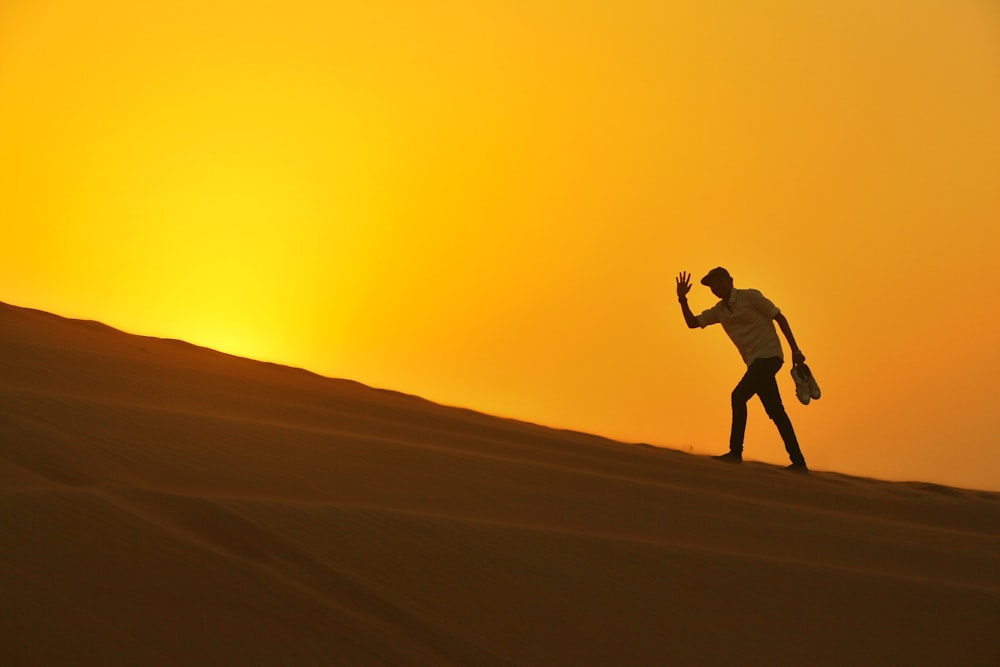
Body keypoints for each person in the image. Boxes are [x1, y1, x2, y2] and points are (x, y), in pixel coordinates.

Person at [676, 267, 808, 472]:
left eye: (719, 282)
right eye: (712, 286)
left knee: (738, 397)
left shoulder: (750, 297)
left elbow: (779, 317)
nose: (716, 288)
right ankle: (799, 462)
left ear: (730, 280)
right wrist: (682, 300)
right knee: (776, 411)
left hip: (770, 356)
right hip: (754, 362)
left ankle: (735, 452)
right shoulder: (719, 310)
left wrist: (795, 350)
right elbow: (693, 323)